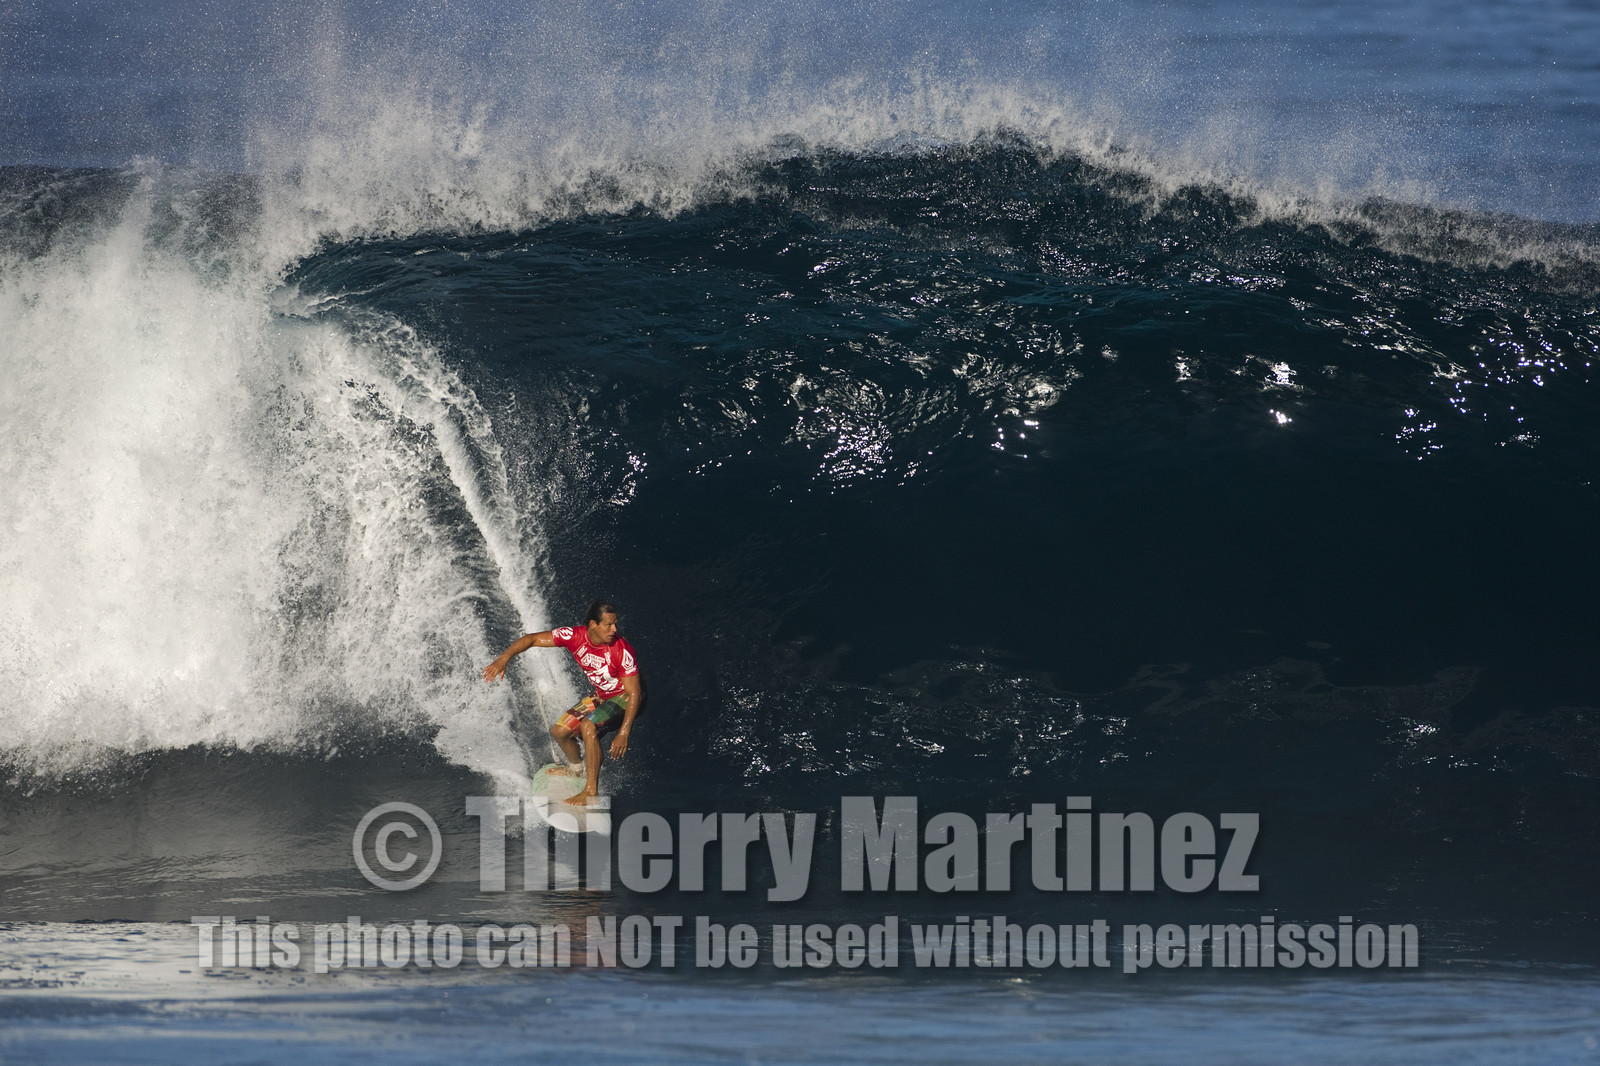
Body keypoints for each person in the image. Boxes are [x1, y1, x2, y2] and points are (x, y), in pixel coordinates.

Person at [481, 599, 641, 807]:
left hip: (625, 697)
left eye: (615, 624)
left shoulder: (621, 649)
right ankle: (576, 770)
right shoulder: (574, 636)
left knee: (588, 726)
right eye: (608, 625)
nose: (614, 629)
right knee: (560, 731)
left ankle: (591, 791)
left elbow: (634, 693)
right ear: (593, 624)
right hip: (603, 695)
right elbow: (532, 639)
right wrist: (504, 658)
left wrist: (624, 733)